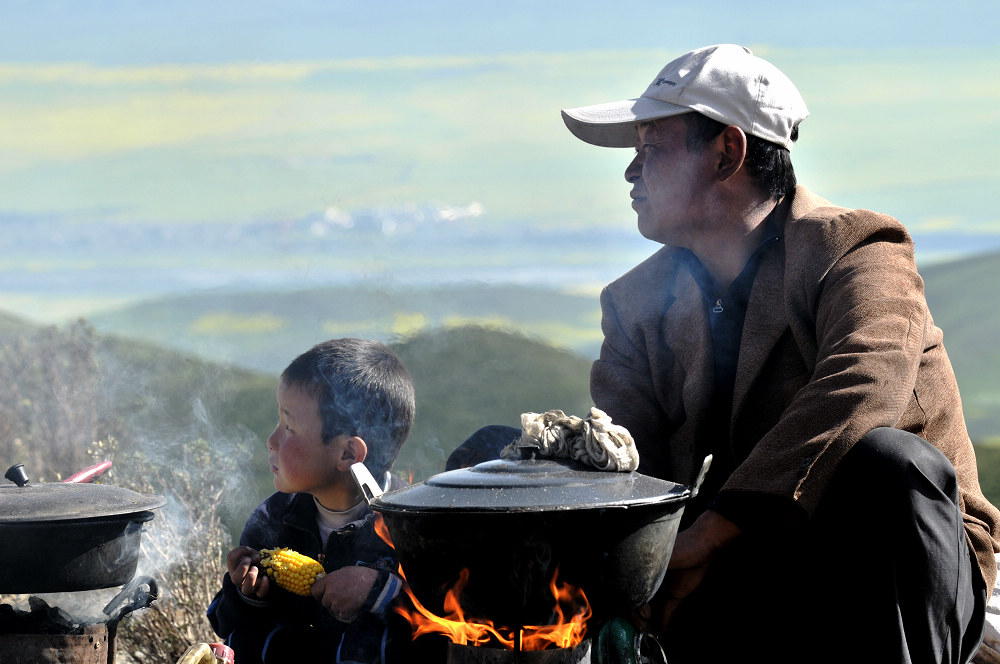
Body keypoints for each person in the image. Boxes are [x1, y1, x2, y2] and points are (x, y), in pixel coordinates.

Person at [559, 44, 1000, 663]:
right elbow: (635, 462)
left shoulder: (857, 250)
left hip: (893, 571)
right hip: (742, 572)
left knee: (889, 461)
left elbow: (864, 383)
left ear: (726, 153)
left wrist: (713, 531)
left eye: (650, 150)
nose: (631, 173)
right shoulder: (636, 303)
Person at [207, 338, 416, 664]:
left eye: (289, 427)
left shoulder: (410, 530)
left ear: (347, 453)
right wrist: (247, 593)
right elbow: (225, 624)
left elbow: (452, 621)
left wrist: (380, 592)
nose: (272, 440)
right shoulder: (273, 519)